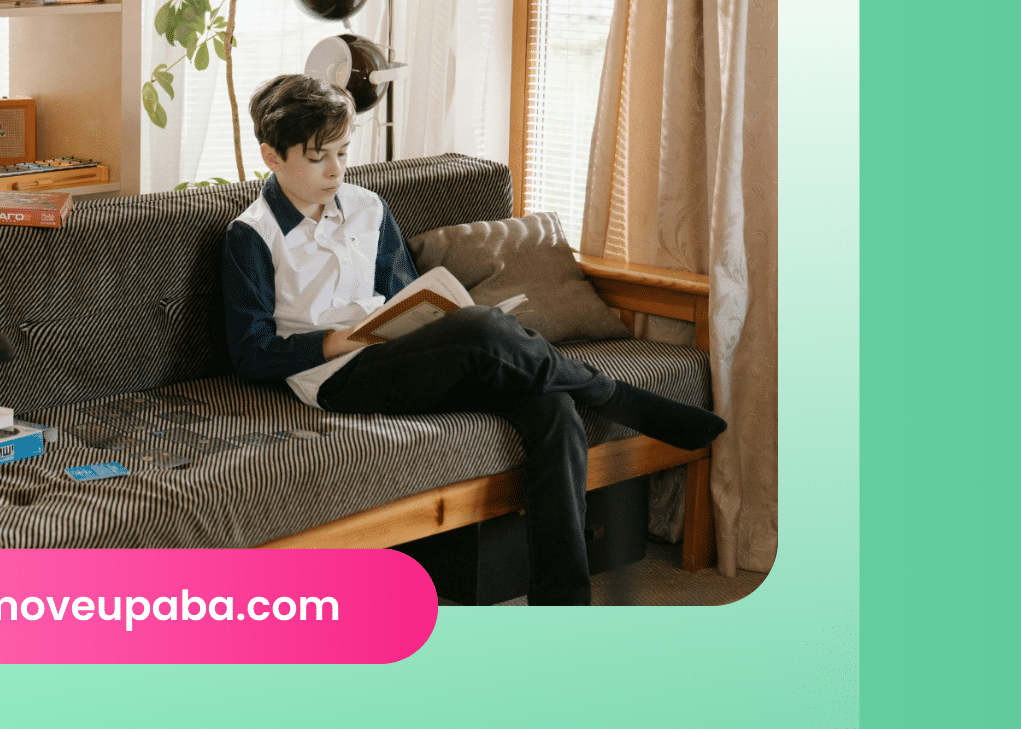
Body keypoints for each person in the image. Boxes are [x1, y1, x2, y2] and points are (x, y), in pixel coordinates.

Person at [222, 74, 726, 605]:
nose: (336, 170)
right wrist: (345, 339)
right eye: (318, 157)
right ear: (272, 157)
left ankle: (564, 606)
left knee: (551, 407)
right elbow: (252, 354)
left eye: (344, 153)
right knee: (480, 327)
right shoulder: (252, 235)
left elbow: (400, 295)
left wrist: (420, 317)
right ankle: (614, 395)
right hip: (338, 377)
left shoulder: (368, 206)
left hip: (401, 352)